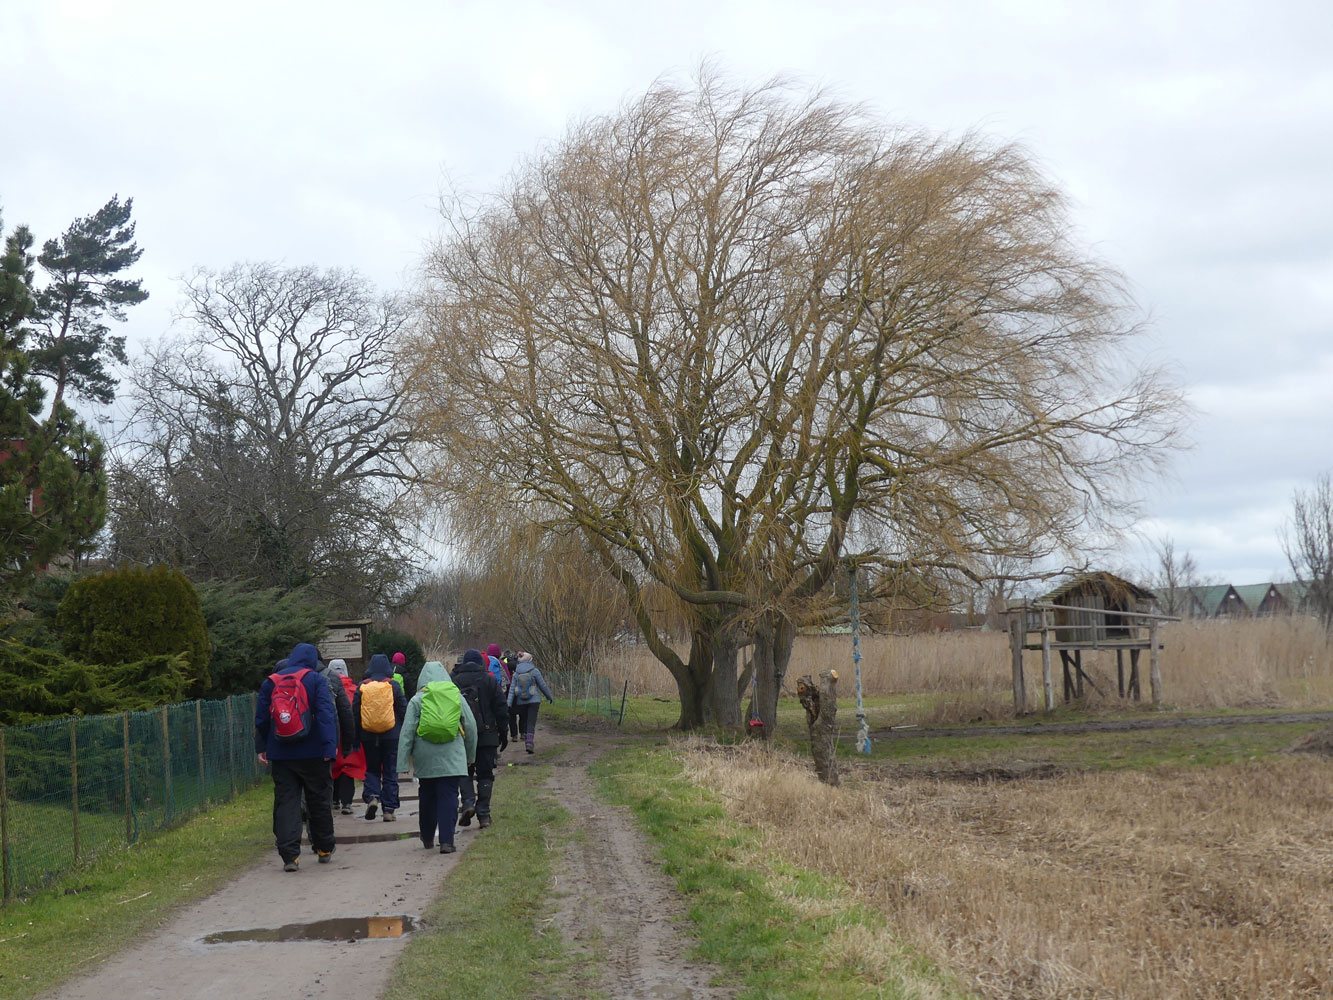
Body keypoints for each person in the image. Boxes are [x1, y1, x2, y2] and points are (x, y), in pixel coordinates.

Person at [255, 642, 338, 872]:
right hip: (314, 753)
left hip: (281, 753)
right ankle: (324, 848)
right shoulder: (316, 680)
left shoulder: (271, 682)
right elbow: (325, 716)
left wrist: (262, 747)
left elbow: (262, 718)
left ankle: (290, 856)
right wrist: (329, 749)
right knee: (318, 800)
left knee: (286, 802)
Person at [398, 660, 477, 853]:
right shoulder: (456, 696)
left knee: (427, 796)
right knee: (449, 796)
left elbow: (407, 732)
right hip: (453, 755)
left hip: (425, 758)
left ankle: (426, 836)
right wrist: (470, 755)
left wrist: (402, 763)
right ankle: (447, 841)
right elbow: (471, 727)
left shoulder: (417, 700)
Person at [450, 649, 508, 828]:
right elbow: (501, 708)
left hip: (463, 736)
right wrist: (503, 734)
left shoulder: (454, 681)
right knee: (485, 775)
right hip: (487, 736)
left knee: (464, 772)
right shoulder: (490, 680)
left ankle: (467, 803)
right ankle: (484, 815)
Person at [352, 652, 406, 821]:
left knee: (372, 769)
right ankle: (389, 810)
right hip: (391, 736)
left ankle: (373, 797)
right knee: (390, 771)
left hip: (368, 736)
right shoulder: (394, 686)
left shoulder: (362, 686)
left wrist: (356, 736)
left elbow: (355, 713)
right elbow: (403, 710)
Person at [326, 659, 366, 813]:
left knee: (333, 766)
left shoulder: (325, 688)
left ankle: (334, 800)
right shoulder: (356, 690)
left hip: (331, 733)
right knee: (347, 767)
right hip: (351, 733)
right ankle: (347, 803)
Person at [507, 650, 554, 754]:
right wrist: (549, 697)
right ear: (529, 660)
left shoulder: (516, 673)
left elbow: (511, 690)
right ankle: (529, 743)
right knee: (531, 722)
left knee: (524, 720)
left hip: (521, 701)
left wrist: (508, 703)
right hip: (534, 701)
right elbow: (543, 686)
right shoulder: (535, 671)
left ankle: (525, 738)